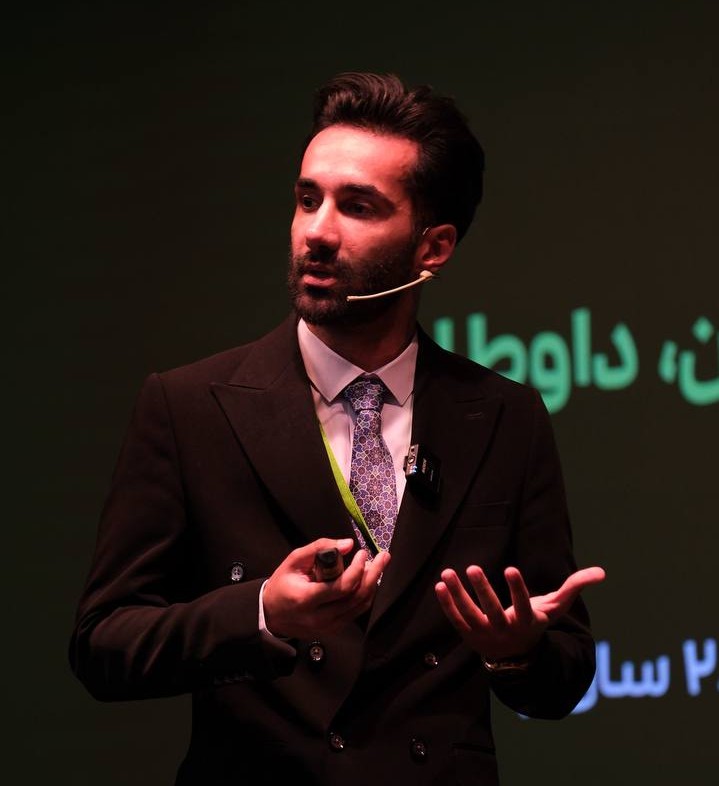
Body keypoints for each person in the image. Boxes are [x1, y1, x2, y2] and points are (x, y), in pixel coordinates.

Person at [70, 72, 605, 785]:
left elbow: (561, 675)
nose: (317, 232)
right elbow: (104, 646)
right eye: (306, 199)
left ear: (433, 247)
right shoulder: (190, 404)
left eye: (357, 206)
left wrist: (517, 652)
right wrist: (263, 613)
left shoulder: (505, 417)